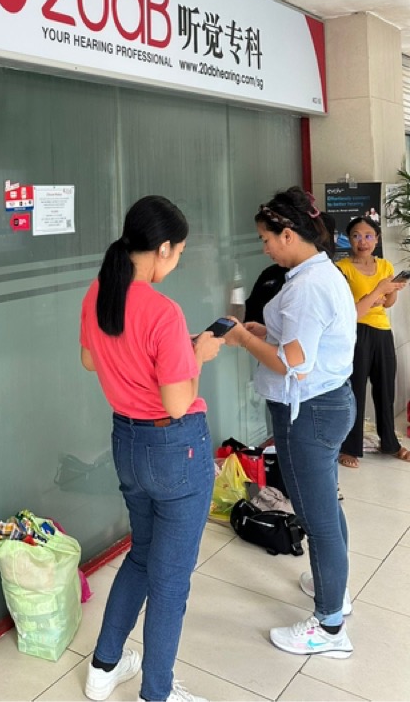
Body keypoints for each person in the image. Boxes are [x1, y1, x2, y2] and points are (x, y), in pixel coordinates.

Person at [80, 196, 223, 702]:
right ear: (163, 248)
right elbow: (179, 402)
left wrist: (173, 351)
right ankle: (156, 693)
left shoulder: (99, 292)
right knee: (170, 581)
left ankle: (103, 669)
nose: (177, 261)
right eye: (178, 252)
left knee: (141, 556)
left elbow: (91, 359)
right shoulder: (163, 311)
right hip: (175, 449)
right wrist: (197, 354)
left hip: (128, 444)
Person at [223, 187, 357, 658]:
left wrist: (244, 339)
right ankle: (334, 588)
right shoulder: (318, 272)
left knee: (317, 520)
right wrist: (266, 331)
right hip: (326, 403)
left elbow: (291, 364)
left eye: (266, 239)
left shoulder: (306, 287)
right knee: (325, 508)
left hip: (310, 411)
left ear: (287, 234)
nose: (264, 248)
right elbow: (300, 341)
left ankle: (330, 627)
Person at [336, 215, 410, 467]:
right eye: (356, 236)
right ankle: (349, 447)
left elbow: (388, 303)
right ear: (348, 239)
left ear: (377, 239)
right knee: (355, 390)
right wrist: (372, 296)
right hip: (356, 331)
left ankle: (390, 443)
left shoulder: (385, 266)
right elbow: (345, 308)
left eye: (368, 236)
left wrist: (391, 291)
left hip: (382, 332)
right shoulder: (341, 268)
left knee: (385, 389)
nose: (362, 241)